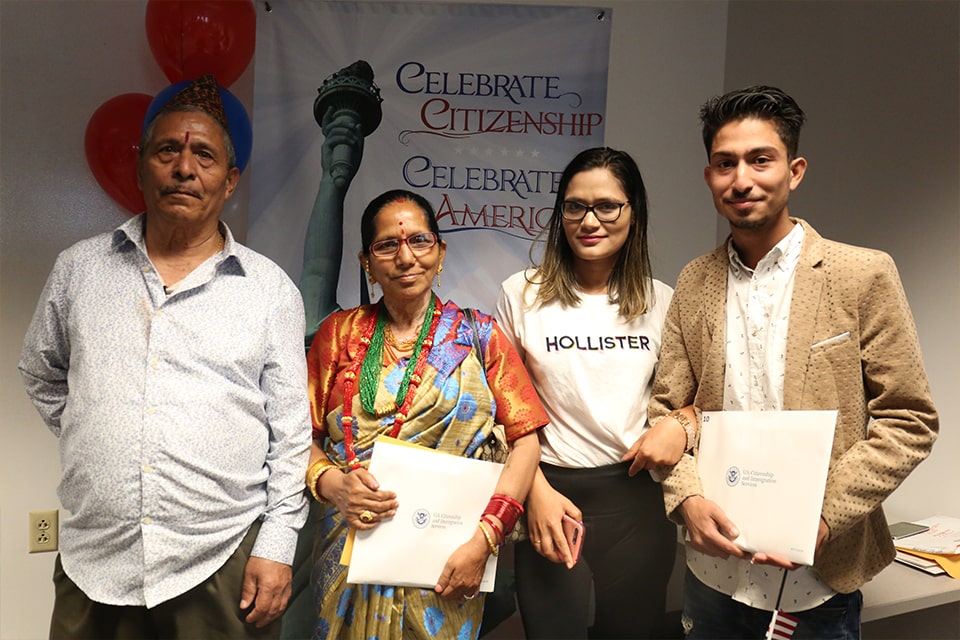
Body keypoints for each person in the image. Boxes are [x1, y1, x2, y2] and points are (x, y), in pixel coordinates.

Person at [18, 74, 312, 639]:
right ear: (140, 168)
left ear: (230, 182)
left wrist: (277, 546)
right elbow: (41, 372)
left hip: (221, 561)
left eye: (204, 155)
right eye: (167, 150)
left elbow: (291, 435)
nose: (184, 168)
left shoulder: (269, 290)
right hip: (93, 561)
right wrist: (98, 428)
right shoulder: (80, 270)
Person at [651, 85, 939, 638]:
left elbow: (910, 420)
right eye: (724, 163)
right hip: (713, 574)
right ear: (709, 176)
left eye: (761, 160)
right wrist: (684, 497)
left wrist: (824, 516)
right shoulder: (693, 282)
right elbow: (666, 408)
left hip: (820, 580)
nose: (742, 179)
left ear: (795, 170)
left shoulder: (861, 274)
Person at [305, 188, 548, 639]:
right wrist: (335, 485)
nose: (405, 257)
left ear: (440, 252)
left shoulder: (479, 336)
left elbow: (525, 442)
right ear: (366, 261)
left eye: (420, 241)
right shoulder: (338, 335)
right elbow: (300, 438)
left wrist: (485, 540)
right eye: (387, 245)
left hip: (448, 561)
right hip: (348, 553)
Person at [495, 147, 696, 639]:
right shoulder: (521, 293)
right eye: (575, 206)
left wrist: (682, 427)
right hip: (549, 492)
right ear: (559, 212)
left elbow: (696, 400)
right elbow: (499, 409)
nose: (590, 220)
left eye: (607, 206)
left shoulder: (662, 299)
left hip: (636, 500)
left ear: (634, 213)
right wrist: (534, 490)